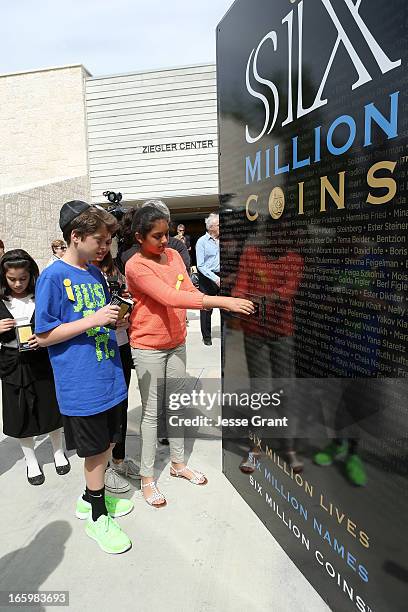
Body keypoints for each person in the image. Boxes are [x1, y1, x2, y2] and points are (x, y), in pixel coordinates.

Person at [125, 205, 254, 507]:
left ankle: (178, 464)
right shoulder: (136, 265)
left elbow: (186, 288)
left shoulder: (172, 256)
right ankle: (147, 477)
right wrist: (224, 302)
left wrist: (192, 299)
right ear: (138, 237)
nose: (164, 241)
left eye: (166, 233)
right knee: (152, 412)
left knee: (177, 404)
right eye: (156, 236)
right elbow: (171, 296)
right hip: (148, 346)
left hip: (176, 341)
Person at [35, 200, 133, 554]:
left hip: (109, 375)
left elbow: (97, 317)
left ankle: (88, 497)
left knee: (107, 445)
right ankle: (96, 515)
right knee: (93, 454)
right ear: (76, 237)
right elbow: (43, 335)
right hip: (82, 384)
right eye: (101, 241)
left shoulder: (94, 272)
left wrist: (115, 319)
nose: (106, 248)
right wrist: (93, 320)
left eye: (108, 241)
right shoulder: (52, 277)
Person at [0, 249, 70, 485]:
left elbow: (59, 321)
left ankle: (58, 451)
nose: (18, 283)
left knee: (50, 406)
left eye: (23, 278)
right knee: (20, 412)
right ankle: (30, 460)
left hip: (41, 360)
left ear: (31, 274)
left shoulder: (42, 294)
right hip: (11, 362)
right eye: (12, 279)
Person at [91, 245, 140, 491]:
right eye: (97, 240)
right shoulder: (81, 275)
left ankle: (118, 460)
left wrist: (126, 314)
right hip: (96, 349)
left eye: (106, 241)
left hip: (120, 344)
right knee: (103, 409)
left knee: (121, 406)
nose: (101, 247)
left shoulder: (114, 270)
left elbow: (128, 298)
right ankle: (104, 470)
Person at [196, 213, 220, 345]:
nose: (220, 227)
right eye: (218, 225)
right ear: (211, 227)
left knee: (226, 306)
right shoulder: (201, 242)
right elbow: (200, 265)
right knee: (206, 309)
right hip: (207, 277)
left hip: (222, 276)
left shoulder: (224, 239)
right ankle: (206, 336)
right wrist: (215, 279)